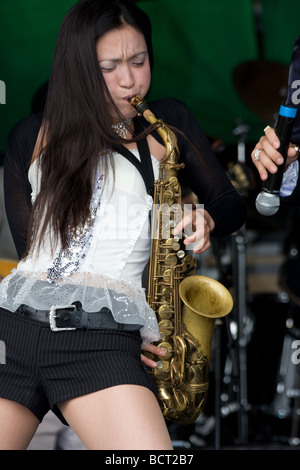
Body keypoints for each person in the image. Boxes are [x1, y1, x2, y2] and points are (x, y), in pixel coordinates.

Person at [0, 0, 245, 450]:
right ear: (76, 68)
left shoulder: (167, 125)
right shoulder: (29, 135)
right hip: (12, 332)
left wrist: (203, 215)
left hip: (101, 342)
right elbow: (31, 251)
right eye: (109, 66)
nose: (130, 79)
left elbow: (229, 205)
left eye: (139, 60)